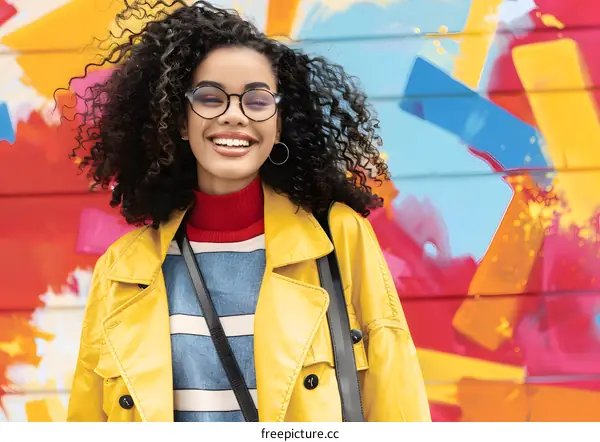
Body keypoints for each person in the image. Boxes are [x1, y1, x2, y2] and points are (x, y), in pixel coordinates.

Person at [64, 0, 431, 423]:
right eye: (210, 97)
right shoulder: (122, 271)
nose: (234, 116)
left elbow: (396, 400)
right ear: (179, 122)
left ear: (279, 124)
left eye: (256, 101)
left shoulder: (336, 240)